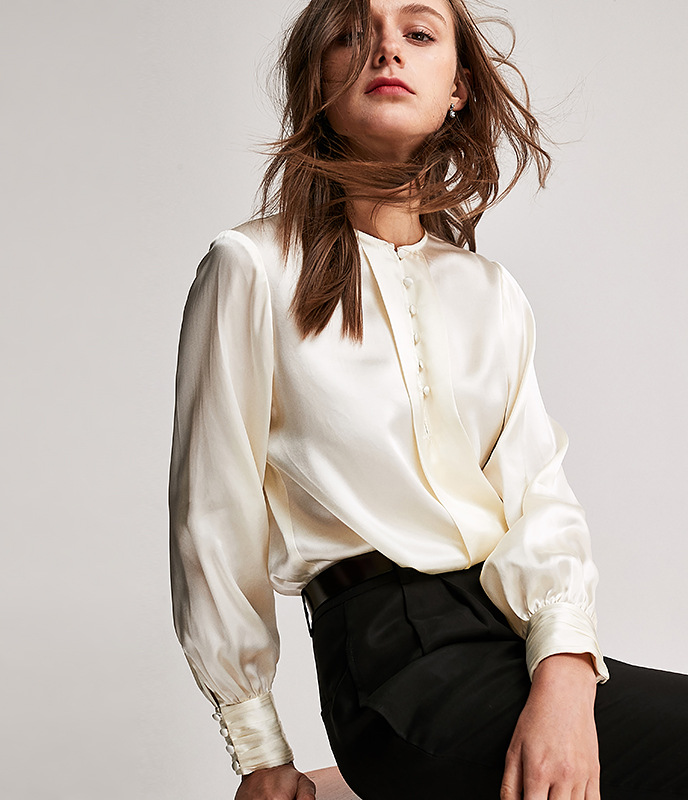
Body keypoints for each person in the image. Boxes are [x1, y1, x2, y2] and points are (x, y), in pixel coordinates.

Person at [169, 0, 688, 798]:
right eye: (352, 33)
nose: (385, 49)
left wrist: (566, 670)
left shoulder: (490, 293)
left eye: (418, 33)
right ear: (318, 78)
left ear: (459, 87)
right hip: (391, 664)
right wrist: (260, 751)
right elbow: (212, 515)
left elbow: (538, 498)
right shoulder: (252, 267)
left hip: (505, 640)